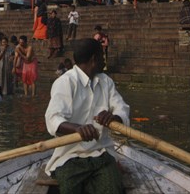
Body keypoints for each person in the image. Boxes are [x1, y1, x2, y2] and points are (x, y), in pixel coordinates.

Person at [44, 38, 129, 194]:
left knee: (112, 188)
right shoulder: (66, 82)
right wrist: (78, 129)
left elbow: (122, 108)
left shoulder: (106, 82)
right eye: (102, 57)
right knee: (69, 188)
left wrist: (114, 118)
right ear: (94, 59)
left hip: (101, 153)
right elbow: (53, 119)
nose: (104, 60)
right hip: (70, 156)